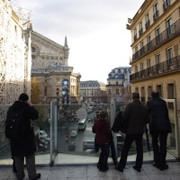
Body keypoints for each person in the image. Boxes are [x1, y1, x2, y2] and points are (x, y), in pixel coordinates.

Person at [6, 93, 41, 180]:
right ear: (26, 100)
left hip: (14, 137)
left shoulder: (11, 108)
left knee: (17, 157)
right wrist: (31, 106)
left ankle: (20, 175)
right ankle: (32, 175)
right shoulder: (26, 108)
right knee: (29, 156)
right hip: (26, 137)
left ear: (18, 98)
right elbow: (35, 115)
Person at [116, 92, 149, 172]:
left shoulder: (130, 106)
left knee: (125, 149)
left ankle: (121, 166)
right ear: (139, 97)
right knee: (140, 149)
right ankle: (138, 166)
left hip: (130, 131)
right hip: (140, 131)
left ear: (133, 98)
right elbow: (147, 120)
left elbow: (124, 116)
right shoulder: (143, 107)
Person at [147, 91, 171, 170]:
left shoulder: (149, 102)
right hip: (164, 126)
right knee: (163, 144)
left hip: (155, 126)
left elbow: (147, 114)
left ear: (152, 95)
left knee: (155, 143)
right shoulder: (163, 102)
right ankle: (163, 162)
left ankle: (156, 161)